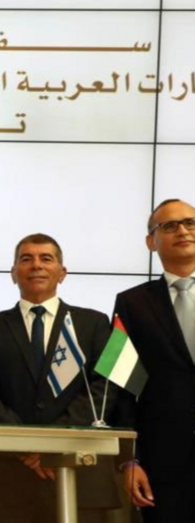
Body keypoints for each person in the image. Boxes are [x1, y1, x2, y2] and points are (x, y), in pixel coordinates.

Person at [0, 233, 118, 523]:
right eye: (26, 259)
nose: (36, 265)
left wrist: (52, 442)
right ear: (13, 273)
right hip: (8, 476)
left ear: (62, 273)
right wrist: (27, 443)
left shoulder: (94, 323)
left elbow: (105, 387)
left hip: (78, 469)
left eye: (46, 258)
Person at [115, 198, 195, 522]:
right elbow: (120, 384)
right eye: (170, 225)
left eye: (190, 223)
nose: (183, 231)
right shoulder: (132, 303)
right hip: (163, 463)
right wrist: (129, 460)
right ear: (151, 241)